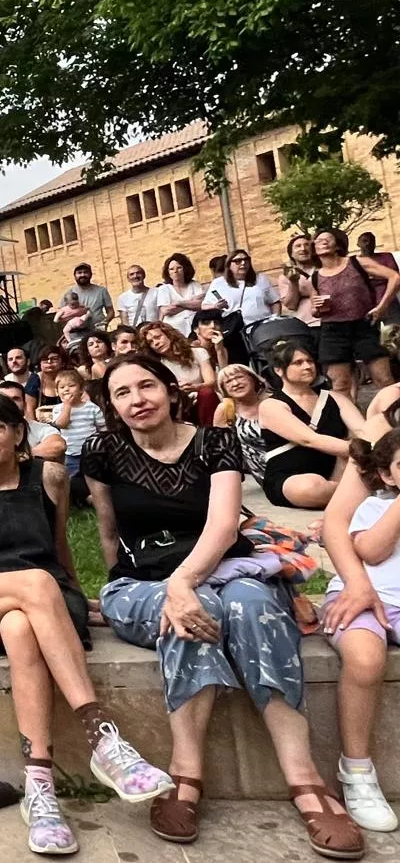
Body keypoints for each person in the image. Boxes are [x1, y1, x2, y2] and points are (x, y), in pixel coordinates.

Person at [85, 355, 362, 857]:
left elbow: (224, 525)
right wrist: (133, 590)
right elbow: (108, 532)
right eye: (122, 392)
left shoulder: (215, 441)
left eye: (146, 386)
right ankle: (187, 773)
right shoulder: (102, 450)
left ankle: (304, 778)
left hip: (222, 568)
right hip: (140, 583)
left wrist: (184, 580)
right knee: (193, 613)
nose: (137, 399)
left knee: (250, 605)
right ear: (112, 404)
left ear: (171, 390)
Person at [0, 393, 170, 854]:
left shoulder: (47, 477)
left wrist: (74, 593)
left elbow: (59, 541)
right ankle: (102, 735)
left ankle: (39, 785)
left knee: (21, 629)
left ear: (18, 433)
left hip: (43, 594)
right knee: (35, 587)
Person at [321, 428, 400, 834]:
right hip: (363, 598)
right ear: (388, 475)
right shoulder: (377, 505)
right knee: (366, 659)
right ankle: (356, 770)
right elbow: (370, 550)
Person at [258, 341, 363, 510]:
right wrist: (365, 449)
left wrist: (375, 447)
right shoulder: (271, 405)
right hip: (291, 477)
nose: (307, 366)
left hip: (336, 471)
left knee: (356, 451)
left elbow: (362, 429)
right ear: (279, 370)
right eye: (298, 363)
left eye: (310, 361)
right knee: (310, 487)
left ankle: (352, 494)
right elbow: (309, 439)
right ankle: (359, 494)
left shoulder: (336, 398)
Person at [309, 227, 397, 399]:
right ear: (315, 248)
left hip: (363, 325)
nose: (324, 242)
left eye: (329, 239)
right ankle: (351, 424)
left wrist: (382, 306)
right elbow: (314, 311)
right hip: (333, 331)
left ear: (337, 245)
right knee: (340, 385)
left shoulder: (356, 262)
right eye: (319, 240)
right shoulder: (316, 276)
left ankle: (394, 416)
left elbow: (394, 277)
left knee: (384, 379)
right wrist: (317, 308)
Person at [205, 249, 281, 364]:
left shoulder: (260, 279)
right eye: (238, 261)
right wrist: (216, 306)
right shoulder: (219, 283)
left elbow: (275, 301)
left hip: (262, 329)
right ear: (229, 265)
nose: (243, 263)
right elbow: (204, 306)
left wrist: (274, 319)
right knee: (240, 363)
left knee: (268, 361)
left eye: (246, 260)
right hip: (235, 332)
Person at [140, 321, 218, 424]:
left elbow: (211, 381)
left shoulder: (198, 352)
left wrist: (195, 387)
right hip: (179, 405)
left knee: (206, 393)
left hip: (203, 399)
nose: (156, 343)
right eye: (151, 342)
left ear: (169, 335)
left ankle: (209, 432)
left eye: (158, 337)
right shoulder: (158, 365)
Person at [213, 364, 270, 482]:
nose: (235, 383)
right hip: (264, 473)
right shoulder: (226, 409)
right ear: (224, 389)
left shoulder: (274, 400)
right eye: (228, 382)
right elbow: (222, 449)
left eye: (239, 377)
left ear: (253, 379)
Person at [46, 369, 105, 478]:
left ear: (81, 389)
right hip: (71, 454)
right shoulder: (58, 409)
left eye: (71, 386)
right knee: (72, 480)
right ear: (57, 392)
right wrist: (67, 406)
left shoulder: (91, 407)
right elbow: (62, 424)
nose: (67, 390)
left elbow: (102, 427)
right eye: (62, 387)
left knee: (95, 478)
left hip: (91, 453)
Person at [153, 253, 207, 337]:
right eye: (171, 269)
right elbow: (165, 311)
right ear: (168, 272)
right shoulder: (164, 289)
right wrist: (191, 302)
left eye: (179, 268)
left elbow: (201, 304)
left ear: (185, 269)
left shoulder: (194, 285)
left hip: (197, 330)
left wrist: (179, 303)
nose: (175, 271)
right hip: (175, 332)